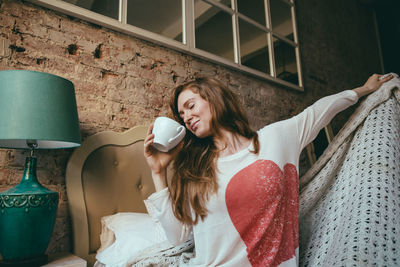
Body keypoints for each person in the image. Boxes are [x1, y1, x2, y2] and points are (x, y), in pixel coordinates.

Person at [143, 74, 394, 267]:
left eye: (190, 105)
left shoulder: (275, 139)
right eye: (181, 113)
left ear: (213, 98)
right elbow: (178, 236)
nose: (186, 117)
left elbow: (321, 110)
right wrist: (158, 172)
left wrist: (365, 90)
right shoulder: (195, 170)